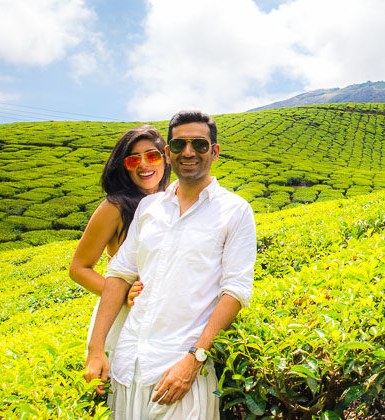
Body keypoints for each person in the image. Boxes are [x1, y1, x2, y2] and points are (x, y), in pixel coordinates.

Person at [84, 110, 257, 419]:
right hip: (127, 369)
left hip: (179, 373)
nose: (188, 152)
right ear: (168, 153)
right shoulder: (150, 208)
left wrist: (194, 359)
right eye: (179, 145)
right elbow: (119, 275)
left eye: (199, 145)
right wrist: (97, 349)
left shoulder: (235, 211)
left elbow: (235, 292)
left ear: (214, 152)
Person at [69, 125, 171, 359]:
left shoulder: (170, 201)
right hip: (125, 315)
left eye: (152, 156)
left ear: (165, 158)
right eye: (133, 161)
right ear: (124, 167)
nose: (144, 165)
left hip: (163, 313)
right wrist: (121, 295)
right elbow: (79, 268)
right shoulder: (115, 207)